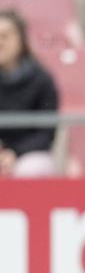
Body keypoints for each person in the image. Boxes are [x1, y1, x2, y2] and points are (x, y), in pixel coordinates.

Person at [0, 10, 58, 177]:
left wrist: (15, 152)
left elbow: (46, 132)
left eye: (6, 36)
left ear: (21, 40)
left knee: (30, 169)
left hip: (29, 153)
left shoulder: (41, 80)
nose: (0, 43)